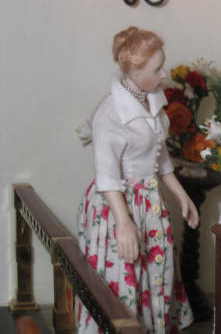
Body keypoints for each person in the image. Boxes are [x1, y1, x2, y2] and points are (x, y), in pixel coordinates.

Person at [76, 26, 198, 333]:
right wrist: (125, 223)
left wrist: (182, 196)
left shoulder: (153, 101)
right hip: (118, 206)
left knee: (155, 274)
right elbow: (107, 177)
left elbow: (160, 158)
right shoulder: (111, 114)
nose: (164, 74)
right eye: (157, 69)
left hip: (150, 205)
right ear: (134, 71)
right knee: (124, 278)